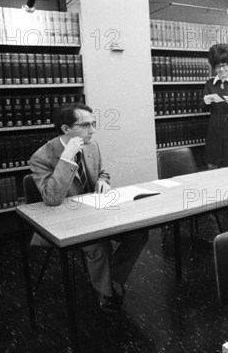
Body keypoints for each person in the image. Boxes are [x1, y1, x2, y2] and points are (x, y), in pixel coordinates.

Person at [30, 103, 148, 312]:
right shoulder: (42, 156)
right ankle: (107, 293)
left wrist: (103, 181)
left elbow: (102, 171)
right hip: (63, 220)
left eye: (93, 124)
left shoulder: (91, 145)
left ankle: (111, 279)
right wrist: (67, 158)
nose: (92, 130)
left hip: (95, 211)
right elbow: (52, 198)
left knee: (139, 233)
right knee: (98, 245)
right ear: (66, 129)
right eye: (85, 125)